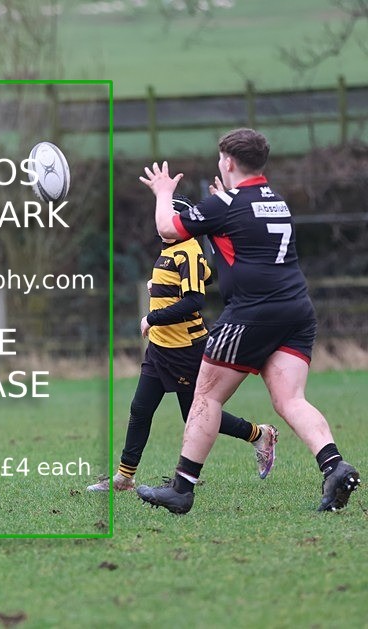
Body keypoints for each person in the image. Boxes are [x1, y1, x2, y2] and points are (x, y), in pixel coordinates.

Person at [136, 128, 360, 514]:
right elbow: (236, 230)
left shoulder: (225, 202)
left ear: (229, 162)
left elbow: (168, 228)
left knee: (205, 396)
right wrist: (217, 201)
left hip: (252, 313)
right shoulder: (277, 201)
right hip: (296, 310)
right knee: (290, 399)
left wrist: (162, 193)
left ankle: (182, 488)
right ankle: (335, 466)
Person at [87, 194, 277, 493]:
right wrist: (160, 287)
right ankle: (125, 478)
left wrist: (153, 317)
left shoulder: (186, 249)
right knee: (140, 408)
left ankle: (258, 434)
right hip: (160, 349)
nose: (159, 219)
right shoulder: (172, 249)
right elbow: (205, 277)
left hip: (186, 350)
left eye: (164, 213)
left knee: (196, 415)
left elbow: (195, 300)